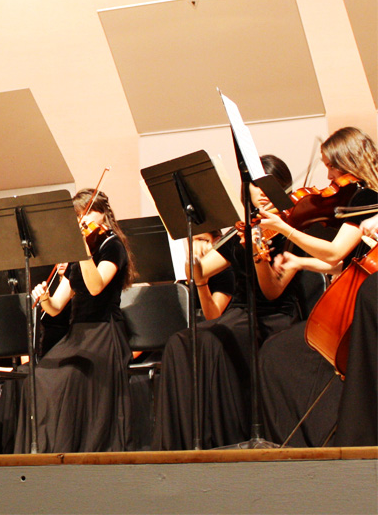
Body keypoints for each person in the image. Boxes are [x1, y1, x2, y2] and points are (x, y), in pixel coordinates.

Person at [153, 154, 303, 450]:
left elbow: (272, 292)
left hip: (274, 318)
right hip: (239, 314)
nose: (260, 192)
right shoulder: (242, 229)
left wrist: (259, 254)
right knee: (180, 342)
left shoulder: (292, 232)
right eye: (253, 184)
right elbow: (200, 270)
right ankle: (181, 445)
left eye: (267, 184)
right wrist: (192, 255)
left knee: (212, 341)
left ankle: (225, 441)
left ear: (282, 187)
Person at [256, 127, 378, 446]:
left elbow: (337, 252)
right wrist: (298, 262)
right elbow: (338, 264)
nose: (328, 175)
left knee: (280, 353)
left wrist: (286, 229)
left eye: (332, 166)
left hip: (362, 306)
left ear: (348, 161)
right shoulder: (357, 198)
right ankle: (303, 443)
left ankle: (317, 440)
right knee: (276, 352)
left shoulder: (368, 197)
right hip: (354, 295)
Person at [22, 188, 136, 453]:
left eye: (85, 214)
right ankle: (50, 451)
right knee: (39, 378)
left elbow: (95, 287)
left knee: (66, 378)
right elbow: (57, 306)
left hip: (104, 334)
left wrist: (83, 253)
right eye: (75, 217)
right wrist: (45, 297)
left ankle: (73, 447)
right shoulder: (81, 251)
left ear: (103, 214)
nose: (80, 221)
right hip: (78, 336)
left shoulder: (112, 247)